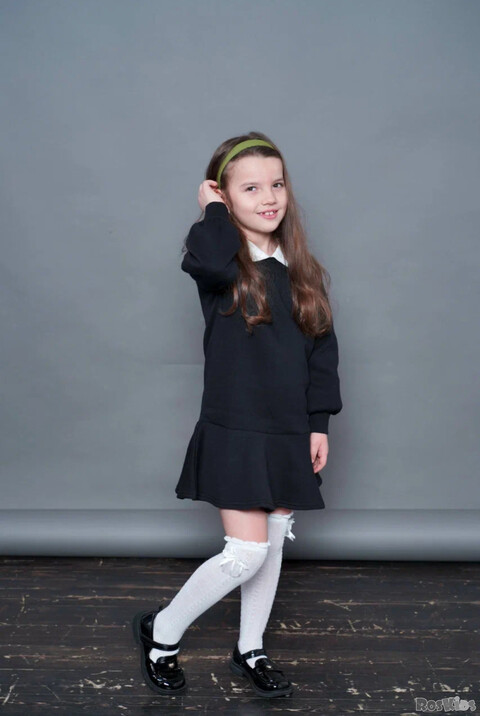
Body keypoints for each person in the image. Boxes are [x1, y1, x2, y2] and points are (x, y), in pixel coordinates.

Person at [133, 132, 343, 698]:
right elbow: (205, 256)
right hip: (237, 426)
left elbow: (323, 351)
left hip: (289, 427)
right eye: (250, 188)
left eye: (277, 184)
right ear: (224, 196)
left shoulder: (300, 270)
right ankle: (161, 633)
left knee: (271, 544)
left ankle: (250, 648)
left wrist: (318, 422)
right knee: (245, 552)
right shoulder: (221, 263)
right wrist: (213, 210)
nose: (269, 198)